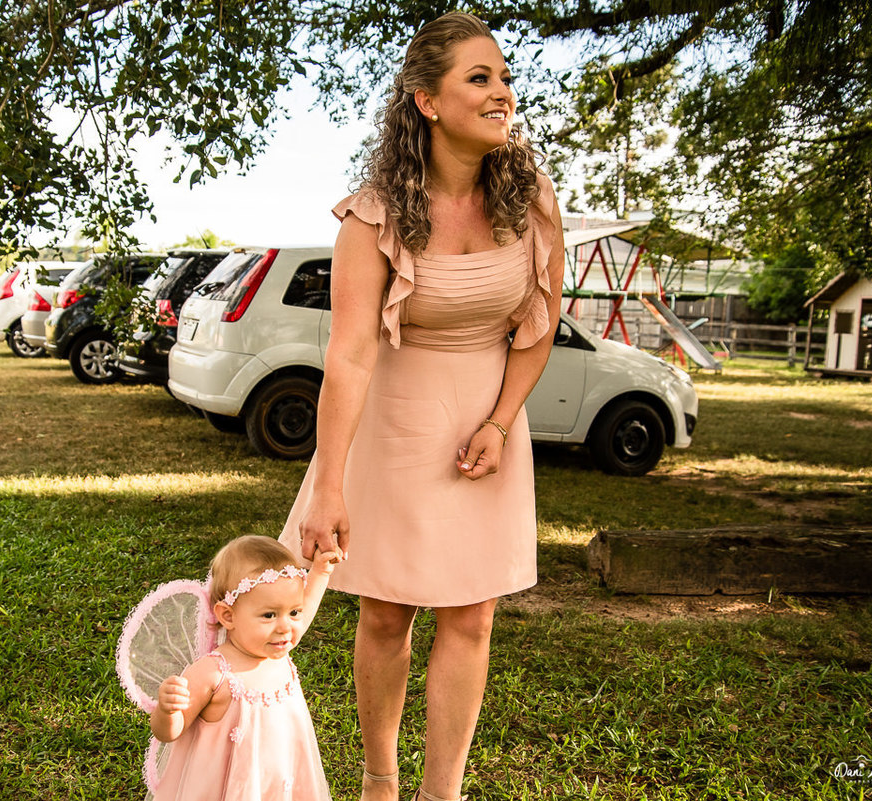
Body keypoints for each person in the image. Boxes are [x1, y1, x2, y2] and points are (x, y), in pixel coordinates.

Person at [277, 11, 565, 801]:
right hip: (396, 422)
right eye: (480, 78)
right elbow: (350, 354)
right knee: (386, 613)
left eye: (505, 77)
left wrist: (501, 421)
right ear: (427, 101)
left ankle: (444, 793)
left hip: (487, 425)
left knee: (472, 616)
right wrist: (329, 484)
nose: (502, 92)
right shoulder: (373, 215)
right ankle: (380, 780)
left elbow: (539, 326)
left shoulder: (533, 200)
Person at [147, 535, 340, 800]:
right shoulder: (214, 673)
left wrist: (321, 571)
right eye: (269, 615)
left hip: (279, 781)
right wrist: (167, 711)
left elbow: (307, 604)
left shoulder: (278, 650)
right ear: (228, 616)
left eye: (293, 612)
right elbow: (170, 733)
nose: (286, 627)